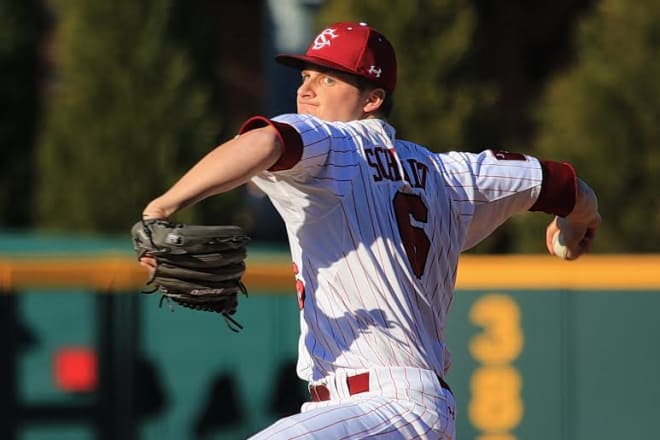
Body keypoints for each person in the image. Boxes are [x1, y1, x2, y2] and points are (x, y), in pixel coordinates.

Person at [139, 21, 600, 439]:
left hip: (385, 406)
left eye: (328, 79)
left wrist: (163, 207)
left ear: (372, 99)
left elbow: (263, 141)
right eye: (304, 76)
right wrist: (576, 223)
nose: (307, 90)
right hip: (394, 410)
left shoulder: (335, 143)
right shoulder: (453, 175)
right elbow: (563, 184)